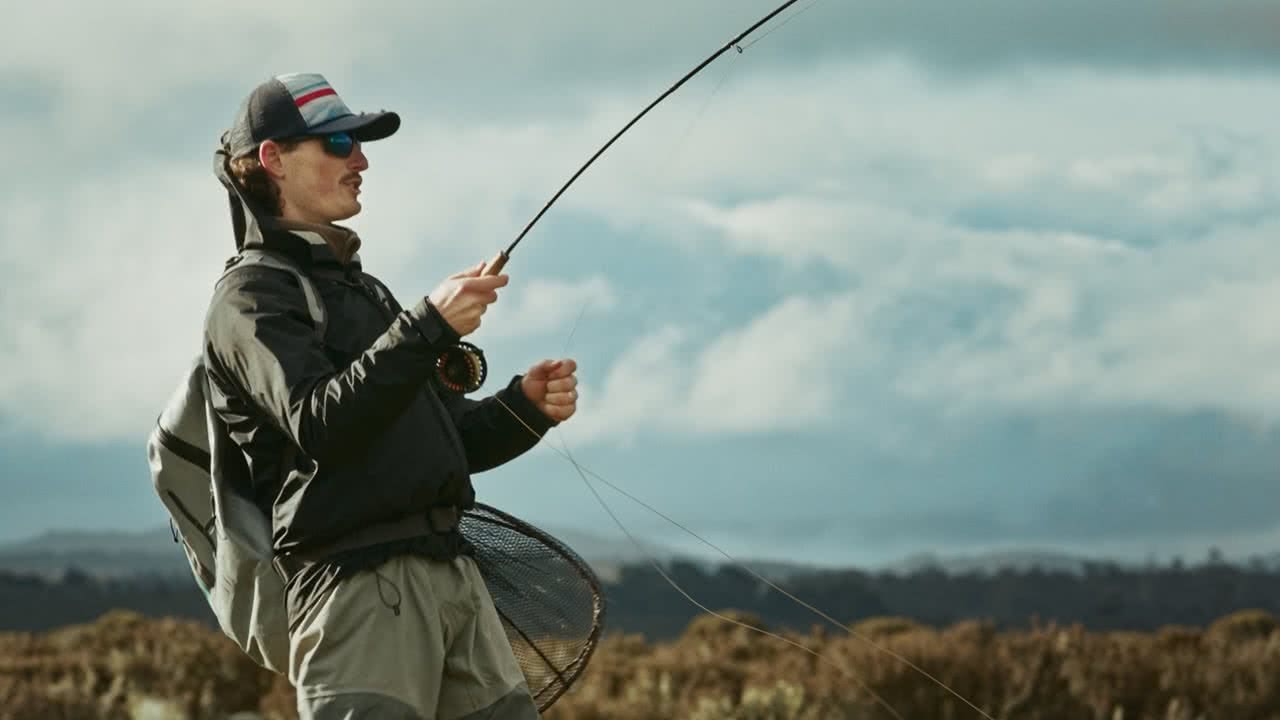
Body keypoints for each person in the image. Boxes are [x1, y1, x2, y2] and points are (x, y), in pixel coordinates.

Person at [204, 72, 578, 719]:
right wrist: (428, 324)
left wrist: (525, 408)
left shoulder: (364, 292)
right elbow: (317, 423)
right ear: (273, 160)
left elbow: (445, 440)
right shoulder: (250, 298)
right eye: (340, 142)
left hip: (452, 578)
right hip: (358, 593)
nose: (362, 159)